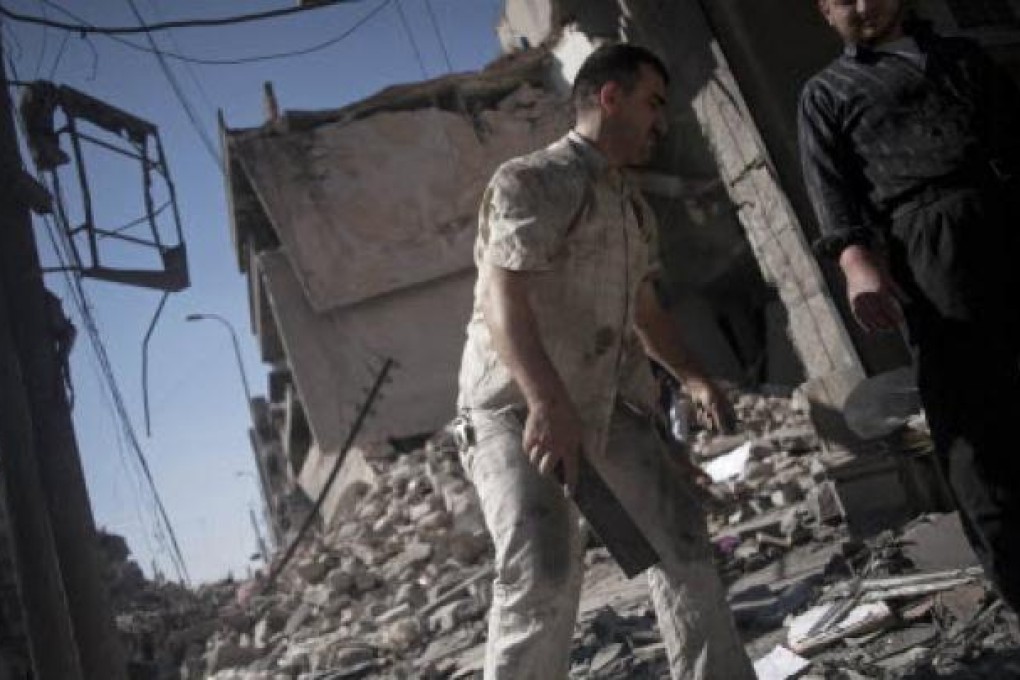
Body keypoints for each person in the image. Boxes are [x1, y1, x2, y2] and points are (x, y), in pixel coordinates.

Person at [454, 44, 755, 680]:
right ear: (609, 98)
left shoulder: (630, 207)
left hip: (604, 406)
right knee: (542, 574)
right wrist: (546, 403)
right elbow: (501, 299)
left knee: (682, 540)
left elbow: (643, 313)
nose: (661, 121)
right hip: (517, 408)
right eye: (653, 102)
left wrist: (693, 377)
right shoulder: (529, 182)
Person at [799, 0, 1020, 611]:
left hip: (1004, 206)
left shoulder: (961, 56)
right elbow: (829, 188)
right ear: (825, 13)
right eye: (844, 0)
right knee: (972, 415)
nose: (864, 7)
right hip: (929, 243)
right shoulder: (827, 92)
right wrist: (855, 262)